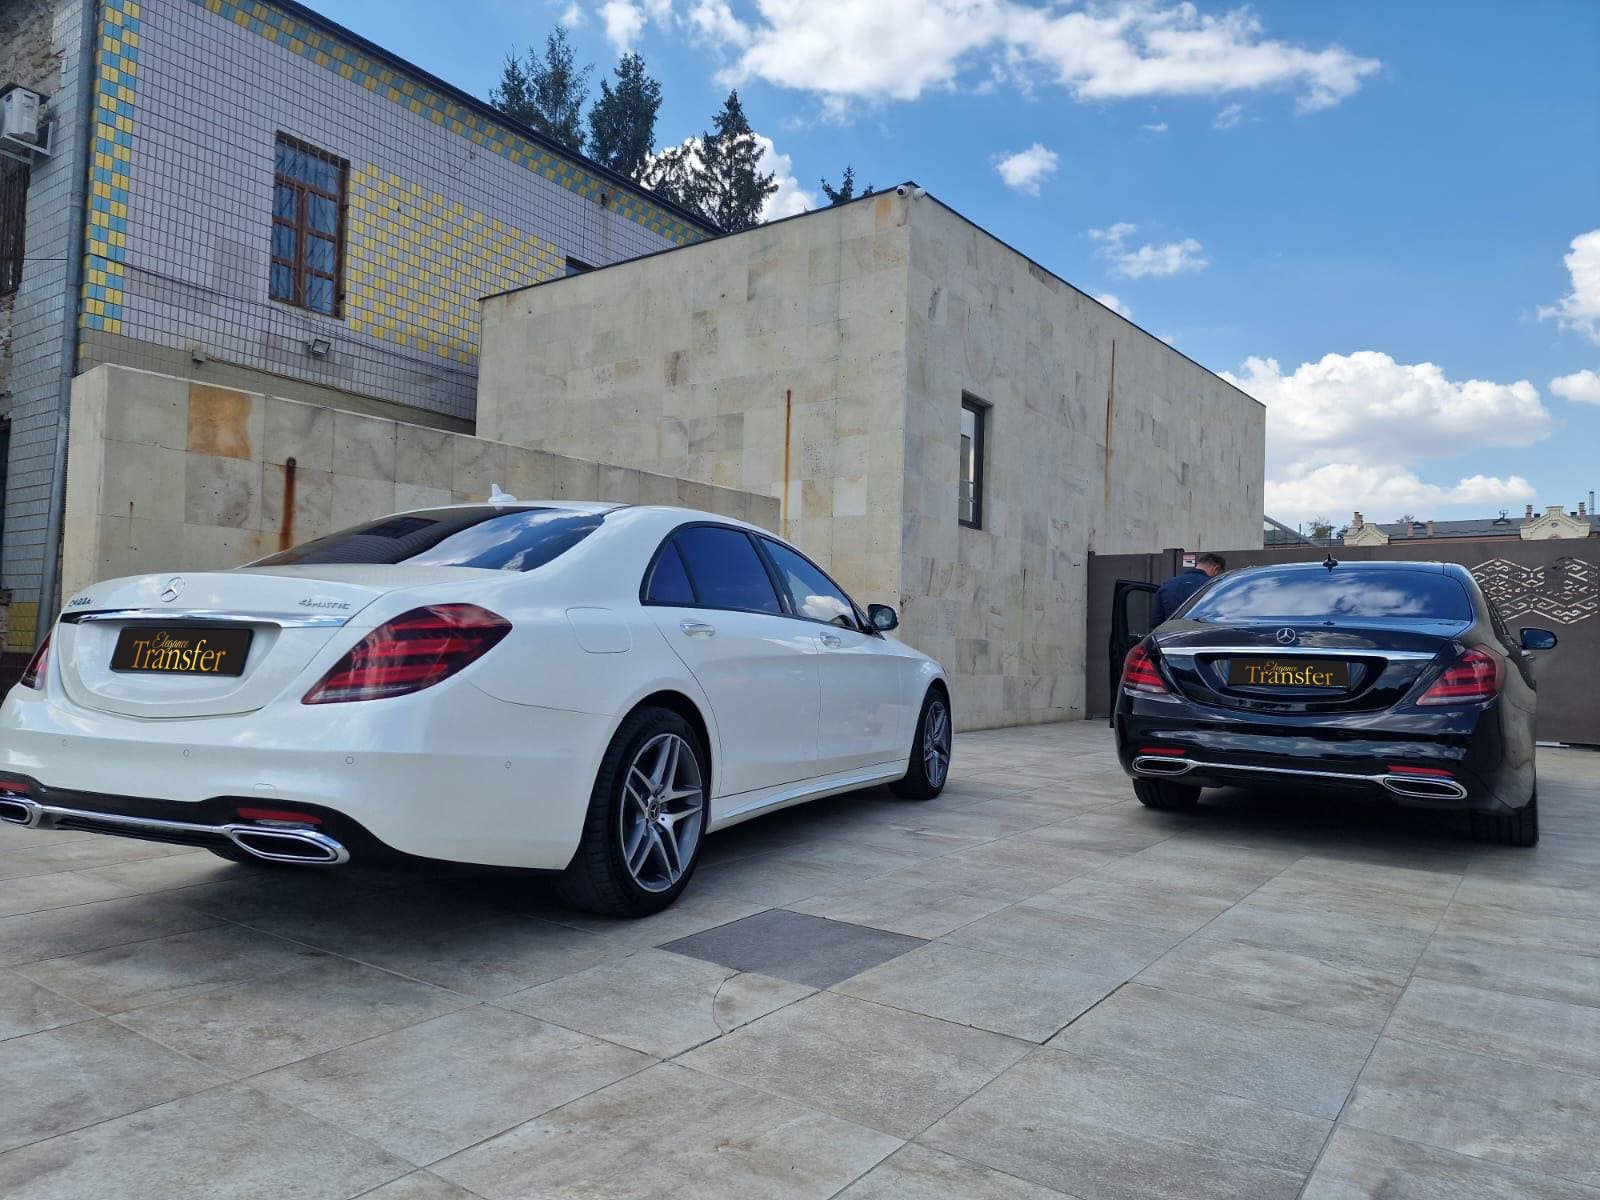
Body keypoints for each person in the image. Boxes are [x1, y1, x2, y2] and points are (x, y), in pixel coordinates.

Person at [1150, 553, 1226, 625]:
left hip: (1171, 635)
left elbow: (1156, 620)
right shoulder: (1213, 586)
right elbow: (1220, 616)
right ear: (1216, 569)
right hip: (1201, 634)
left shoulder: (1167, 584)